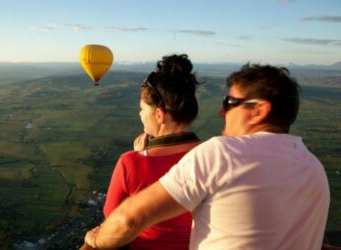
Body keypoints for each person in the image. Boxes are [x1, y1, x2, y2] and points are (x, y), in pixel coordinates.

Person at [84, 63, 330, 250]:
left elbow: (126, 220)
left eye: (231, 102)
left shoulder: (222, 154)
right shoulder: (314, 168)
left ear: (258, 110)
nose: (222, 111)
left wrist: (94, 239)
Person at [102, 54, 201, 250]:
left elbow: (113, 220)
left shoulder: (130, 163)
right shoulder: (214, 157)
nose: (140, 115)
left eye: (142, 109)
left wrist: (138, 157)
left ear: (159, 114)